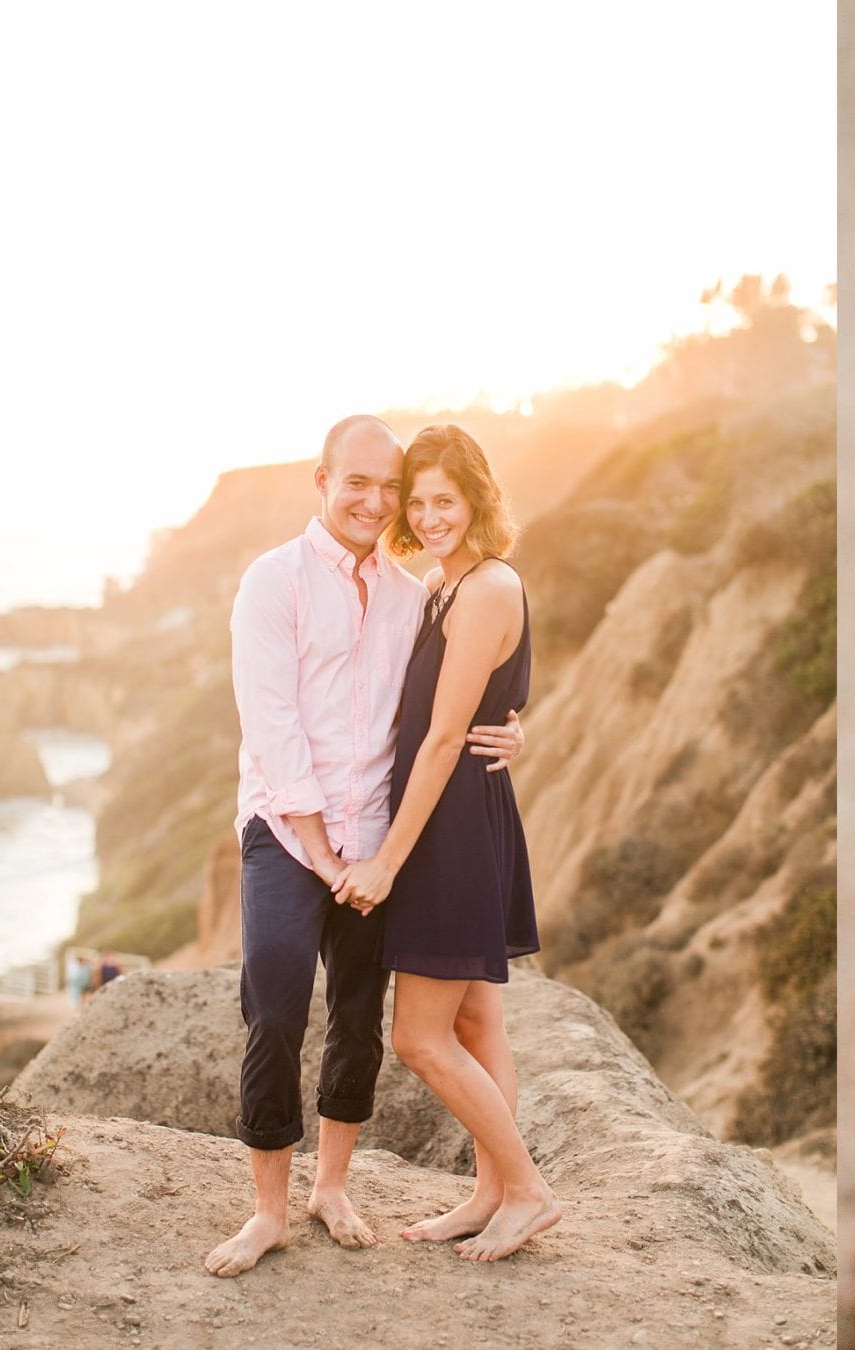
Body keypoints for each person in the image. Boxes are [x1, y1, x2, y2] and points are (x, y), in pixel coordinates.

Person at [206, 414, 527, 1279]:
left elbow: (442, 705)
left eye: (393, 490)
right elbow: (270, 726)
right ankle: (268, 1209)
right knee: (274, 1005)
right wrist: (322, 849)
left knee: (358, 1018)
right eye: (362, 483)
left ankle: (331, 1188)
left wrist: (510, 726)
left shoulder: (411, 594)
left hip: (379, 838)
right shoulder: (272, 581)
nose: (378, 502)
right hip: (289, 835)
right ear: (322, 482)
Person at [336, 424, 562, 1262]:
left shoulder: (487, 588)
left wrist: (387, 861)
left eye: (445, 501)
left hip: (450, 828)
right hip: (462, 811)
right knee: (475, 1020)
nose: (429, 517)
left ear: (477, 500)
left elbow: (441, 740)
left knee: (419, 1040)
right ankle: (491, 1196)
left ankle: (529, 1191)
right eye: (419, 501)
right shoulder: (445, 584)